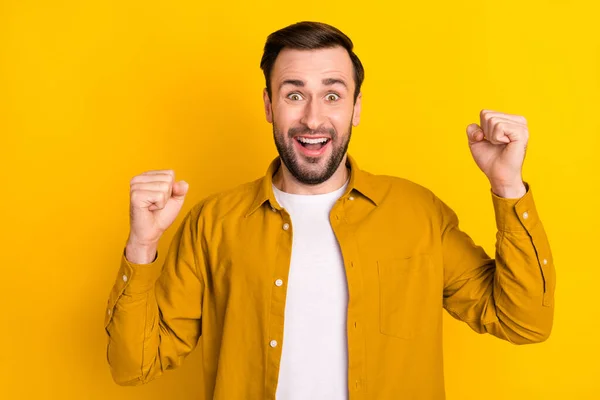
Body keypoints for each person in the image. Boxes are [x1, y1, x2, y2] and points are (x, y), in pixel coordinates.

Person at [104, 21, 555, 400]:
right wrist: (142, 245)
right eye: (294, 95)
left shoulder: (418, 213)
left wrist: (506, 185)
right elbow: (135, 364)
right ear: (269, 105)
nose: (314, 119)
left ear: (356, 108)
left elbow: (524, 321)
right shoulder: (213, 222)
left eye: (333, 95)